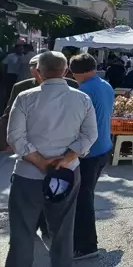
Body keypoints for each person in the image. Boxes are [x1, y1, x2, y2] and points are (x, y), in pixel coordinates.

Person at [5, 51, 98, 267]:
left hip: (28, 174)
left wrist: (38, 160)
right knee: (63, 232)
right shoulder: (82, 98)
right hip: (65, 173)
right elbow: (90, 135)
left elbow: (14, 137)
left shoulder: (25, 97)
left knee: (22, 233)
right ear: (65, 71)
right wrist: (67, 158)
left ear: (39, 72)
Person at [68, 53, 114, 260]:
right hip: (104, 147)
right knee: (86, 196)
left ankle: (86, 246)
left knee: (82, 199)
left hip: (89, 152)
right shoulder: (106, 85)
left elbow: (76, 124)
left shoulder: (82, 91)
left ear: (74, 71)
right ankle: (81, 241)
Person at [1, 44, 23, 113]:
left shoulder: (24, 57)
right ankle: (7, 104)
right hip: (11, 75)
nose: (20, 51)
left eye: (21, 49)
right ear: (15, 49)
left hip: (20, 76)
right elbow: (4, 64)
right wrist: (4, 74)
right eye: (19, 49)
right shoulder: (10, 56)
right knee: (9, 90)